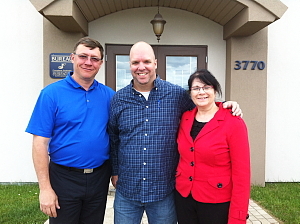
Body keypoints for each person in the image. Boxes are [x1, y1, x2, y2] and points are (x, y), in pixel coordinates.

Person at [108, 41, 243, 224]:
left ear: (155, 63)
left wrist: (225, 105)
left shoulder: (176, 95)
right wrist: (115, 171)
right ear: (129, 65)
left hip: (164, 191)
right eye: (135, 62)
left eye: (146, 61)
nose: (141, 67)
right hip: (128, 191)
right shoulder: (118, 99)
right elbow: (114, 139)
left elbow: (203, 107)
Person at [26, 37, 115, 224]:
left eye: (94, 58)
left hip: (99, 178)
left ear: (100, 63)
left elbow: (115, 137)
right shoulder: (51, 94)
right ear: (72, 58)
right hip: (63, 178)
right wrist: (45, 189)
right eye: (83, 56)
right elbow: (39, 143)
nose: (88, 62)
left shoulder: (109, 95)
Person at [175, 69, 250, 224]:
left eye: (206, 87)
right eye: (196, 88)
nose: (201, 92)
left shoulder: (233, 122)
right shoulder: (185, 117)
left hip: (216, 202)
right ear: (190, 93)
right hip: (184, 198)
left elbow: (242, 174)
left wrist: (238, 216)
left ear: (215, 90)